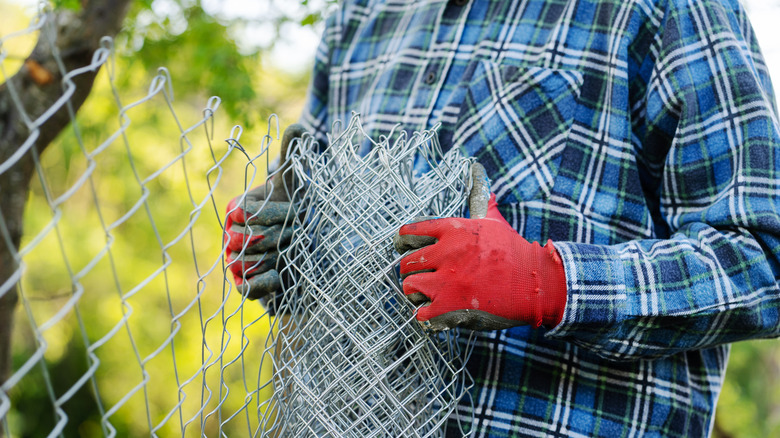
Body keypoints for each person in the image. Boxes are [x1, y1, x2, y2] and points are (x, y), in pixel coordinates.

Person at [225, 0, 780, 436]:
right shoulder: (362, 15)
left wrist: (549, 282)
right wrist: (289, 248)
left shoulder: (663, 9)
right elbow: (306, 198)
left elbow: (763, 255)